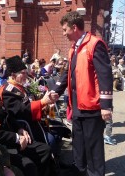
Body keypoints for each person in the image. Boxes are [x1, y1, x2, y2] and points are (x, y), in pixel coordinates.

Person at [53, 11, 113, 176]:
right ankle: (79, 169)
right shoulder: (74, 47)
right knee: (78, 142)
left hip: (92, 106)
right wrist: (55, 92)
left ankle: (95, 173)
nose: (64, 33)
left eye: (65, 30)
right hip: (77, 104)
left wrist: (106, 106)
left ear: (74, 27)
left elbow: (105, 75)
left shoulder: (95, 44)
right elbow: (68, 74)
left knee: (93, 145)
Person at [0, 58, 52, 176]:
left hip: (13, 136)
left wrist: (19, 129)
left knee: (44, 150)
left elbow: (8, 116)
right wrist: (16, 137)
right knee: (30, 164)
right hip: (0, 145)